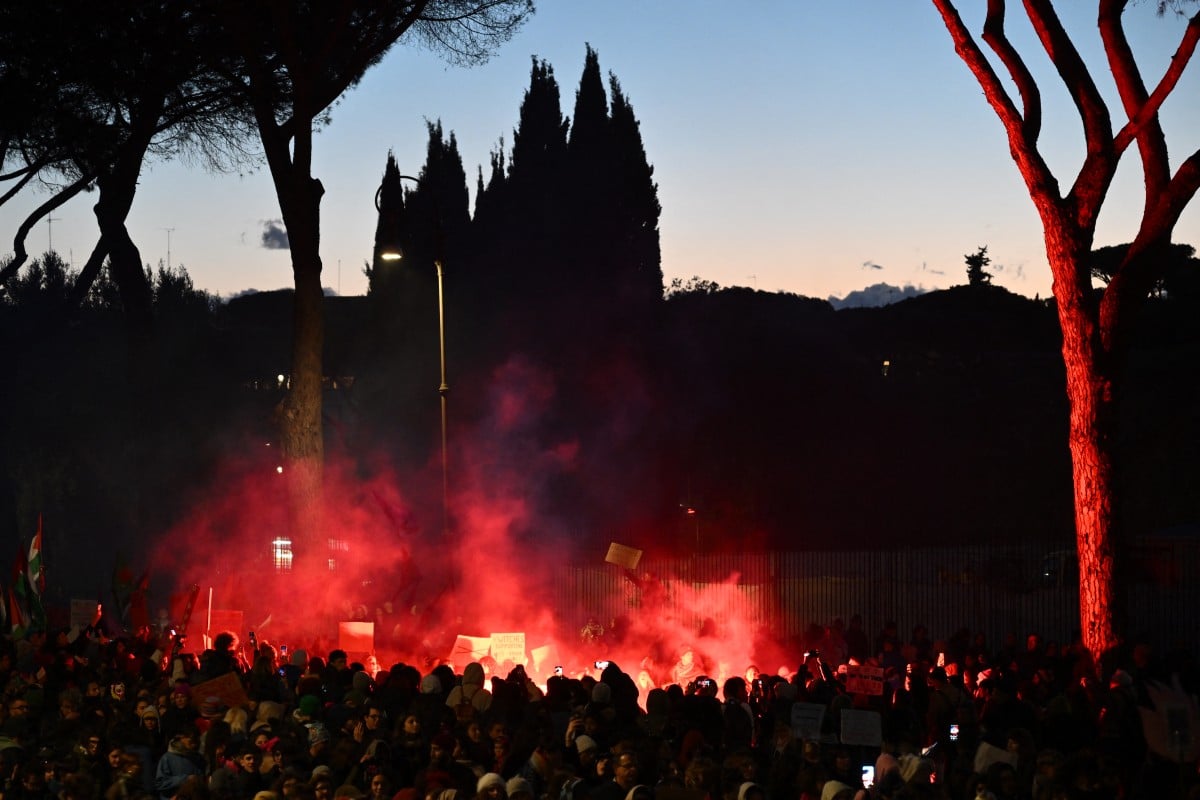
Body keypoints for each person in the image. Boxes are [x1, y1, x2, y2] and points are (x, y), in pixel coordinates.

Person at [154, 726, 205, 800]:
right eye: (192, 739)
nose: (195, 743)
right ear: (180, 738)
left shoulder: (198, 757)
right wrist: (185, 779)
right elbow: (160, 783)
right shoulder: (167, 758)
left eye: (196, 739)